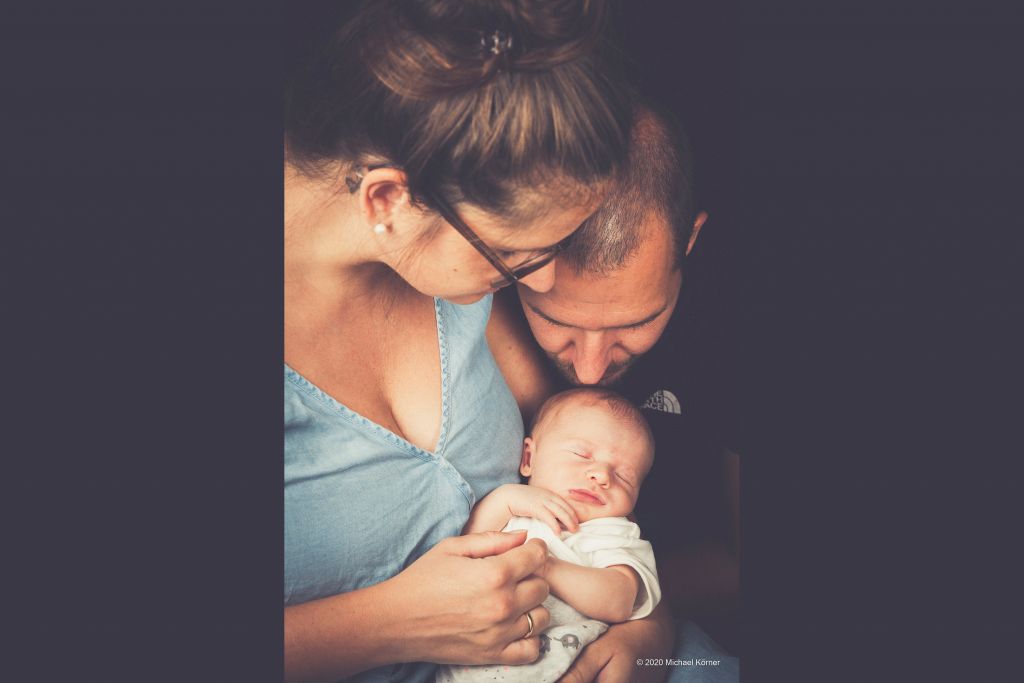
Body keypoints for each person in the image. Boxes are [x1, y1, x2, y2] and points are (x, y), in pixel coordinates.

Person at [282, 1, 666, 681]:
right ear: (387, 201)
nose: (541, 282)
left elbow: (599, 494)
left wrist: (647, 630)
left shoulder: (462, 281)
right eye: (518, 254)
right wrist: (388, 623)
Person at [488, 103, 741, 681]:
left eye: (634, 324)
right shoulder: (480, 293)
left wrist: (644, 622)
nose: (590, 369)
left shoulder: (734, 337)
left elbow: (743, 562)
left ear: (690, 240)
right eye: (554, 321)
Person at [437, 388, 660, 682]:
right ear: (529, 457)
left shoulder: (612, 531)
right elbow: (463, 548)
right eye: (581, 454)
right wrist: (505, 499)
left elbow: (620, 600)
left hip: (557, 668)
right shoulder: (512, 507)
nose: (602, 476)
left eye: (624, 476)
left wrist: (547, 567)